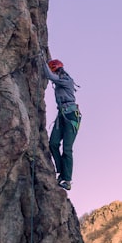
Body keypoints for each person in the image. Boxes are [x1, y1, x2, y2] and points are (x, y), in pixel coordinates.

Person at [42, 56, 81, 190]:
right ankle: (60, 171)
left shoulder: (66, 80)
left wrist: (41, 59)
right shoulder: (60, 80)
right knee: (53, 143)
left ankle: (67, 180)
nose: (55, 74)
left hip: (71, 116)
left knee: (67, 148)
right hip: (62, 114)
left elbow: (49, 76)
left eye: (55, 71)